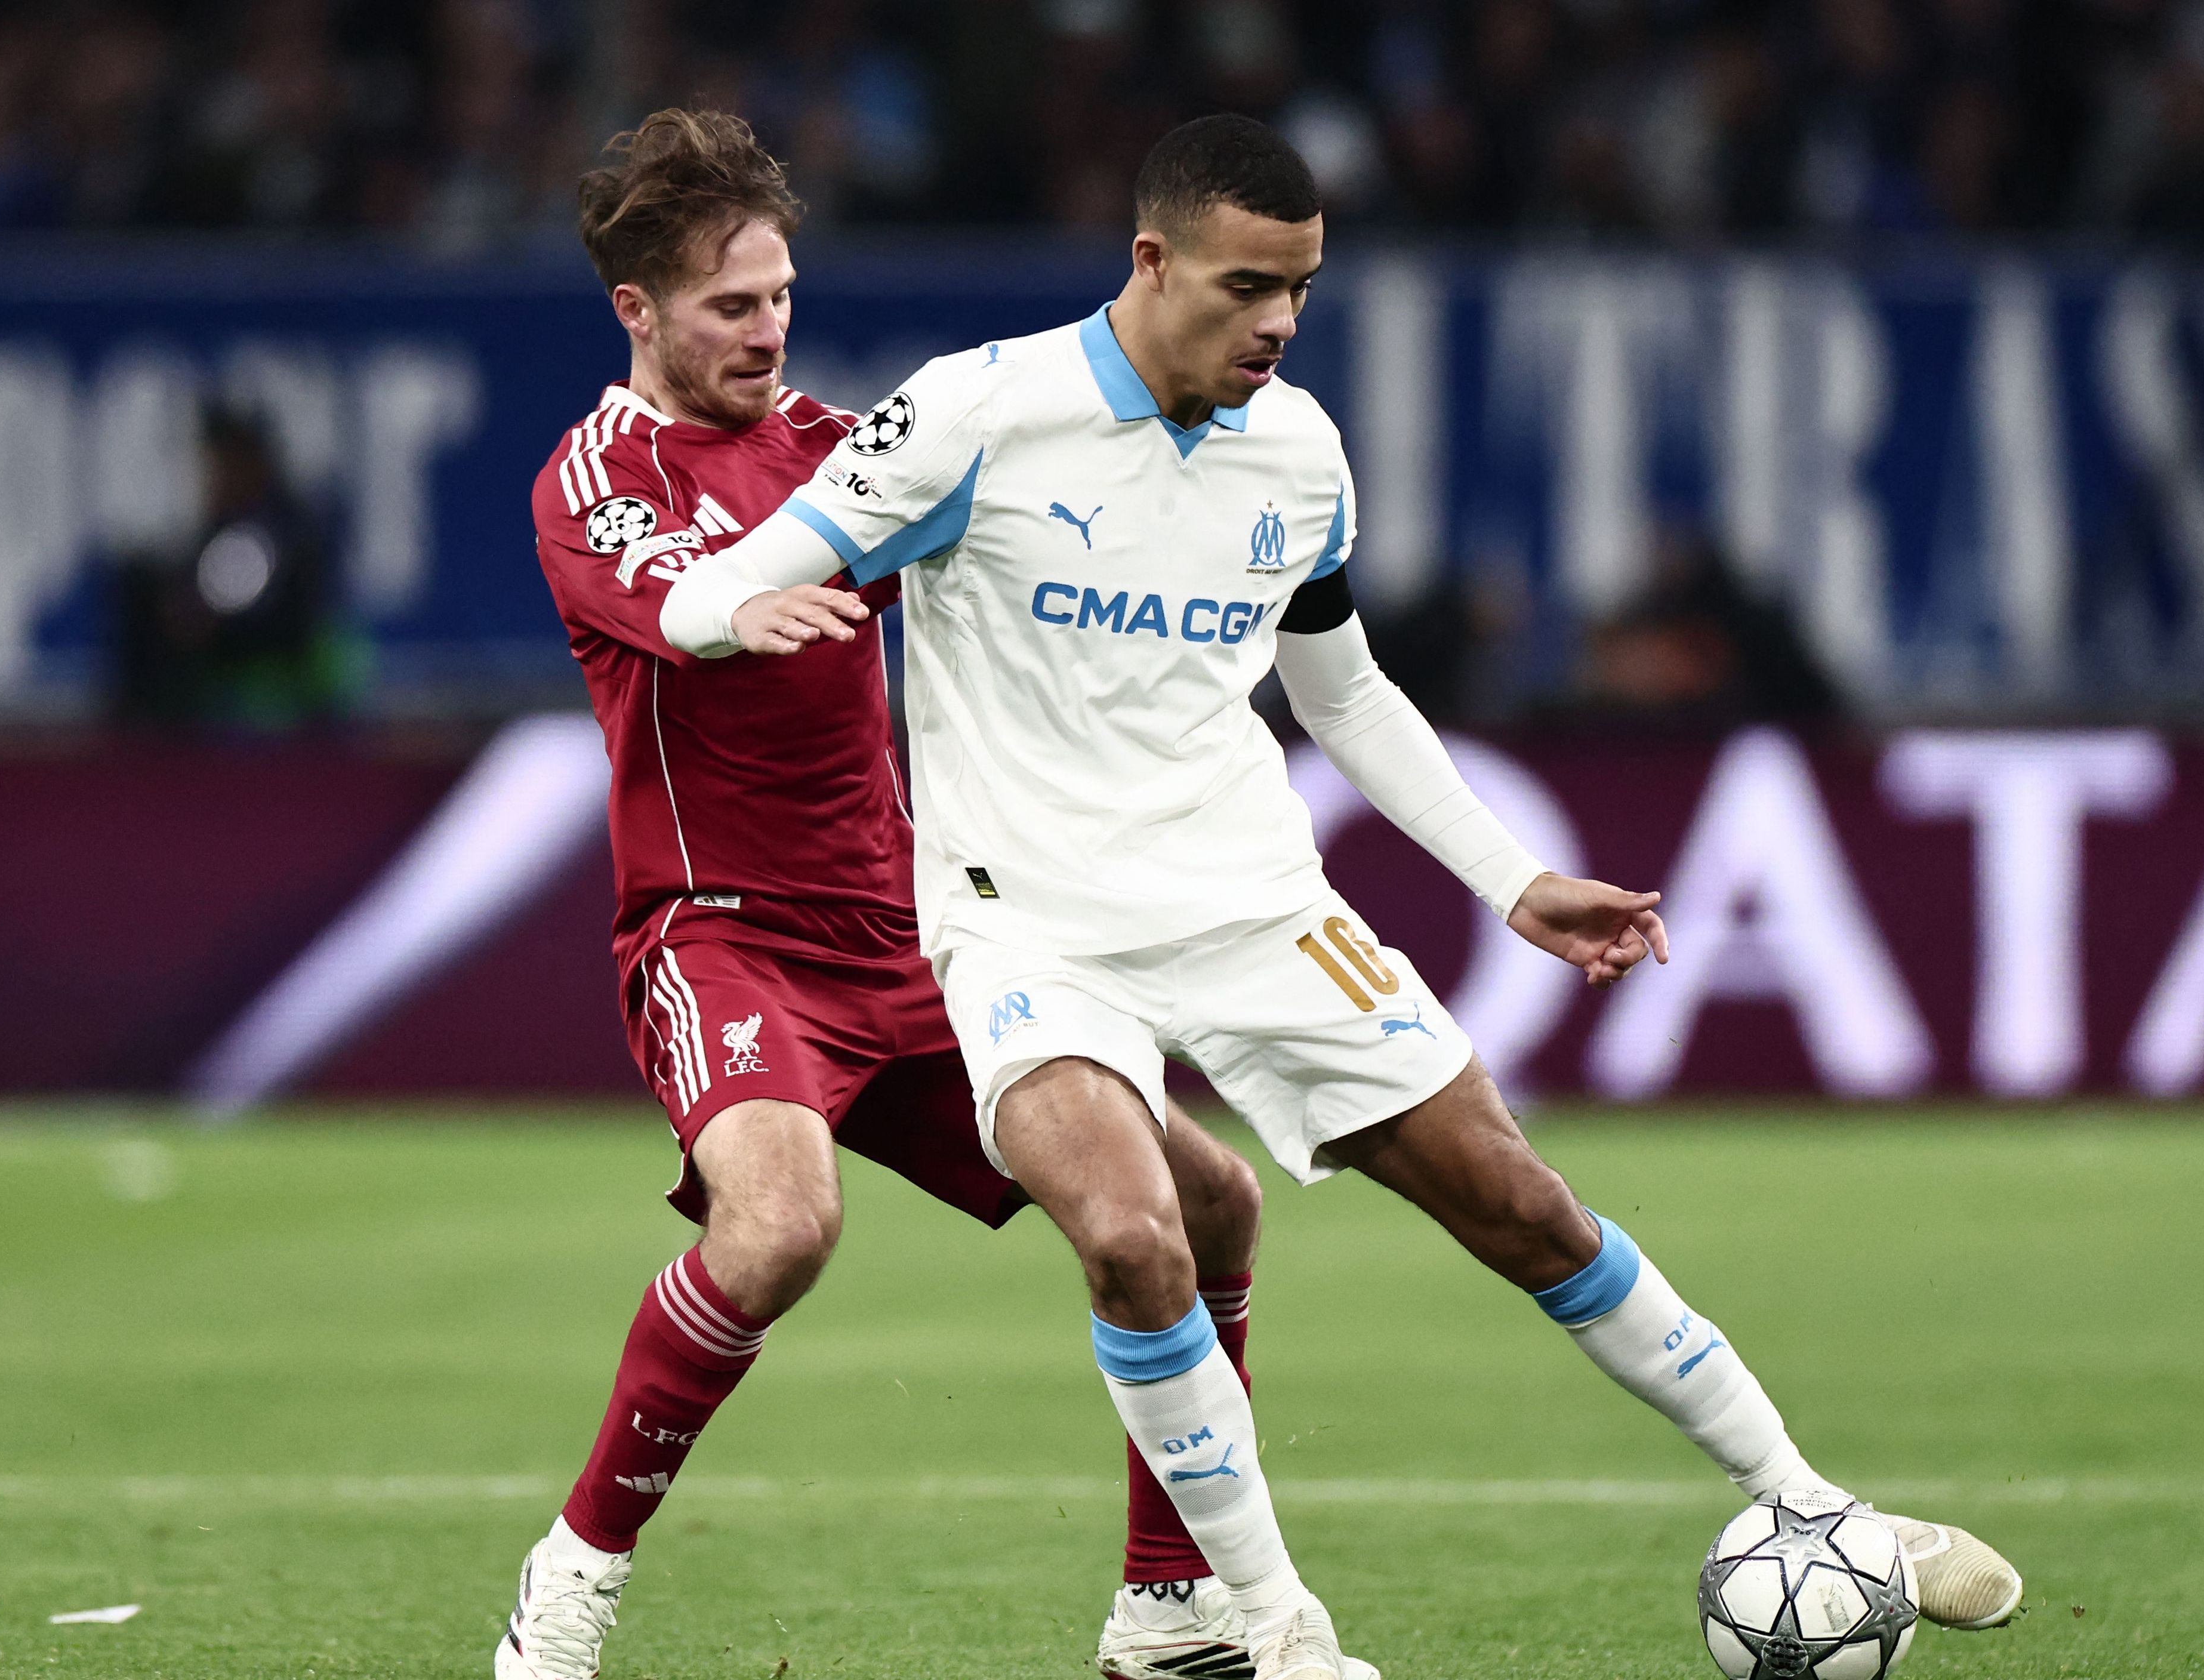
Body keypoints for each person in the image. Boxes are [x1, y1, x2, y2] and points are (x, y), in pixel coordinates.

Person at [664, 115, 2026, 1680]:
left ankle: (1812, 1503)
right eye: (1248, 286)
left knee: (1521, 1205)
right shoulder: (975, 414)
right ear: (1152, 261)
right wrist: (739, 615)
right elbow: (718, 579)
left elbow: (1348, 695)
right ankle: (1279, 1636)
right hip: (1025, 924)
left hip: (1250, 901)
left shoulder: (1299, 453)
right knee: (1130, 1237)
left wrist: (1514, 881)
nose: (1279, 323)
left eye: (1302, 289)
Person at [498, 108, 1280, 1680]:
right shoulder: (596, 476)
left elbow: (1018, 546)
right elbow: (673, 599)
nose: (766, 328)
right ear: (635, 311)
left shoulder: (836, 451)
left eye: (780, 294)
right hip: (721, 940)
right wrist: (740, 607)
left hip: (914, 938)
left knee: (1209, 1205)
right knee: (781, 1226)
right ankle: (574, 1575)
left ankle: (1168, 1607)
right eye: (729, 305)